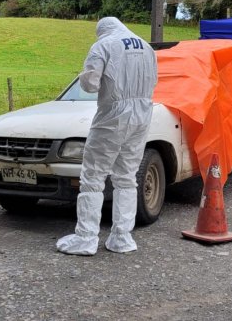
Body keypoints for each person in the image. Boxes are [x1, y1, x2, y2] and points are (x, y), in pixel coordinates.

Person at [57, 17, 158, 256]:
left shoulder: (103, 45)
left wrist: (84, 76)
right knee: (126, 176)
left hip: (113, 114)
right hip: (142, 114)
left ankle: (86, 238)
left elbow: (91, 85)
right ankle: (122, 237)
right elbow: (153, 81)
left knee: (93, 175)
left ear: (101, 31)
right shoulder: (147, 46)